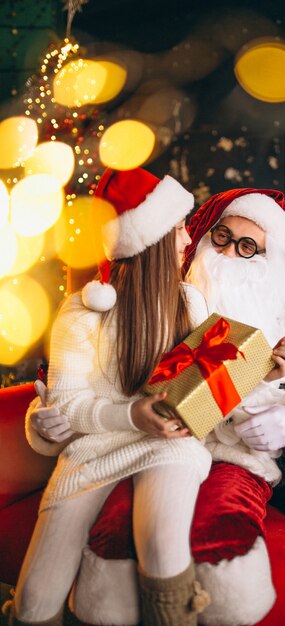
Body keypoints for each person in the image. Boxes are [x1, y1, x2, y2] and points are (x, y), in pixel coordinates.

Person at [25, 187, 285, 626]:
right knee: (116, 533)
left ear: (269, 259)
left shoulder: (284, 317)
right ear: (200, 236)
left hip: (236, 448)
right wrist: (43, 417)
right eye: (222, 237)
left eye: (249, 247)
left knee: (217, 533)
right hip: (157, 437)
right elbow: (68, 383)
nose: (231, 255)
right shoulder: (169, 299)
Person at [5, 166, 218, 626]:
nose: (188, 240)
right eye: (181, 228)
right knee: (34, 603)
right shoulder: (82, 313)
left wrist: (266, 368)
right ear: (155, 241)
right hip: (91, 453)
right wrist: (132, 415)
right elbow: (69, 406)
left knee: (163, 545)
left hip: (168, 443)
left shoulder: (191, 303)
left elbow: (204, 385)